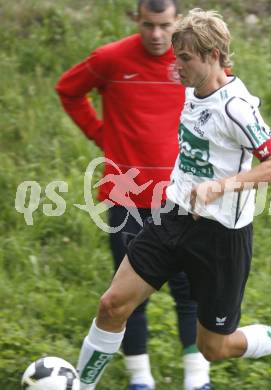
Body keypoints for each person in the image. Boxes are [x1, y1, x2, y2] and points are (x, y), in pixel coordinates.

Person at [74, 7, 271, 390]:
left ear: (213, 56)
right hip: (173, 215)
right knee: (112, 305)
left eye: (184, 58)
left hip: (221, 238)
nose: (175, 65)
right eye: (175, 56)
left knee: (215, 347)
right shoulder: (191, 88)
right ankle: (80, 385)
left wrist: (221, 186)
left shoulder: (237, 107)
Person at [56, 1, 211, 389]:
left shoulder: (192, 61)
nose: (157, 35)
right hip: (129, 198)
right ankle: (140, 380)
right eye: (148, 25)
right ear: (136, 21)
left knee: (190, 290)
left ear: (178, 23)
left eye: (164, 26)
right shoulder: (110, 59)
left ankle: (197, 380)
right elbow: (69, 90)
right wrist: (101, 135)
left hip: (184, 196)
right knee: (127, 295)